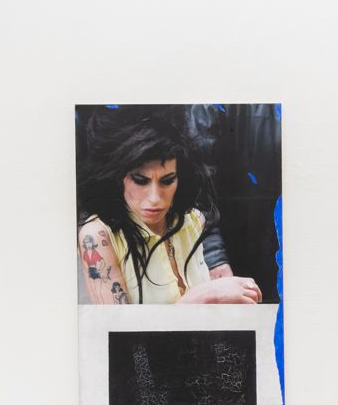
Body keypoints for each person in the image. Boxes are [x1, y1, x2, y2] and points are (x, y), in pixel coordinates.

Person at [77, 110, 261, 306]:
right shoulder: (97, 236)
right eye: (140, 181)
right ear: (117, 178)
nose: (155, 198)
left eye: (167, 181)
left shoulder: (193, 219)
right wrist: (203, 296)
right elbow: (115, 325)